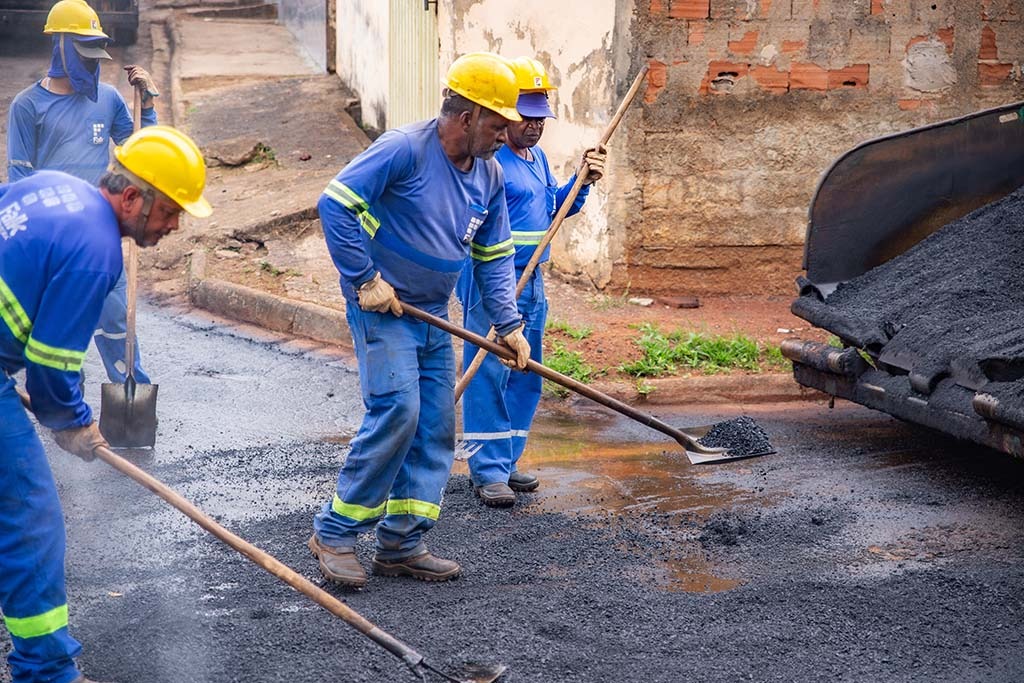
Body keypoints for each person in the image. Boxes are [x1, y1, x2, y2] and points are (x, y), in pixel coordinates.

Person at [310, 51, 531, 588]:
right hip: (385, 309)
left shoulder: (490, 174)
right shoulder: (403, 150)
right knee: (398, 412)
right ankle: (335, 533)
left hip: (434, 315)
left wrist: (508, 324)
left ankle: (401, 543)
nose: (506, 135)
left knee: (434, 426)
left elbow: (495, 253)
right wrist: (364, 278)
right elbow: (334, 204)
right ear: (466, 117)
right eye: (498, 124)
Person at [0, 126, 211, 683]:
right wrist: (72, 423)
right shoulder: (97, 253)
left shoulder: (49, 188)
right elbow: (50, 367)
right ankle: (46, 672)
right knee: (30, 521)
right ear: (133, 197)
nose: (172, 226)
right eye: (170, 211)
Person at [457, 56, 606, 507]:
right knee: (488, 373)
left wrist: (583, 181)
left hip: (533, 279)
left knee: (526, 372)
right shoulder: (489, 160)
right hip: (494, 277)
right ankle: (486, 472)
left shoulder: (536, 157)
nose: (535, 126)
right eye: (527, 117)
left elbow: (556, 209)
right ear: (506, 113)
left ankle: (508, 461)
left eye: (541, 117)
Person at [6, 0, 161, 386]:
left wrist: (149, 104)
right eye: (84, 52)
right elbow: (19, 181)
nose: (93, 63)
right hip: (52, 240)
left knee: (116, 319)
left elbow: (143, 152)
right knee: (55, 326)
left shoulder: (107, 99)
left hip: (99, 234)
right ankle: (55, 401)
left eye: (97, 54)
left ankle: (131, 391)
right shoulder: (27, 106)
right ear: (60, 46)